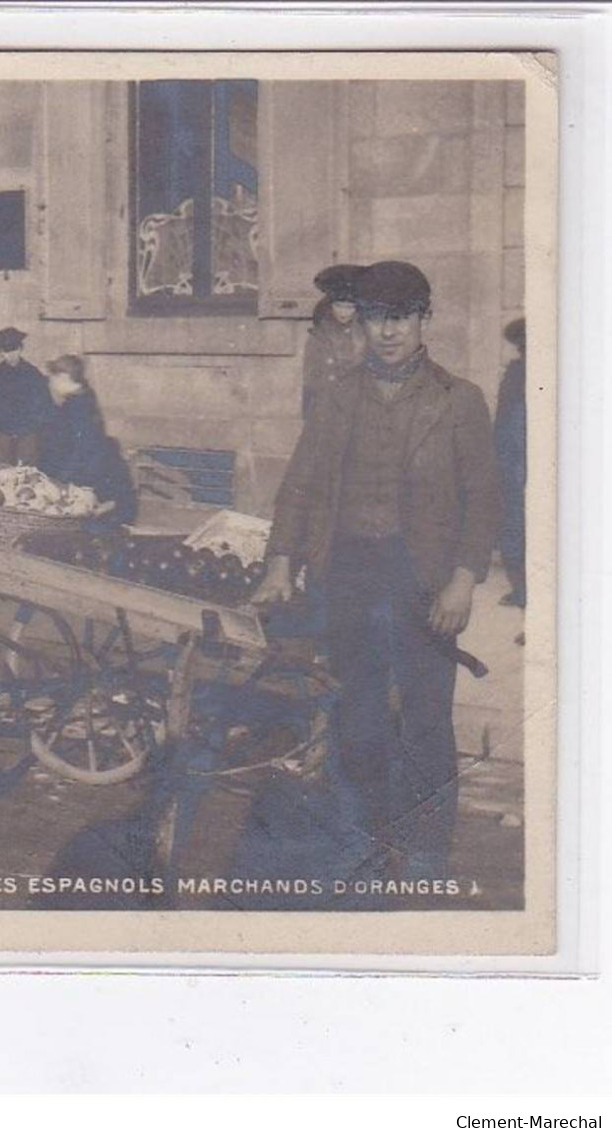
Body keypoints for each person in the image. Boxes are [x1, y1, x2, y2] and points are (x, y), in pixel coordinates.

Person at [253, 260, 501, 883]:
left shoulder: (459, 401)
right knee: (356, 711)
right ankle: (363, 831)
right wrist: (281, 561)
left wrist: (464, 579)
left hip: (422, 578)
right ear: (359, 324)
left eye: (400, 317)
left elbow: (486, 500)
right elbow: (301, 483)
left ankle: (423, 847)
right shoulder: (339, 395)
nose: (387, 331)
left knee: (423, 714)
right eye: (374, 319)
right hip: (350, 573)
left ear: (424, 319)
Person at [33, 354, 138, 525]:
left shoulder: (77, 406)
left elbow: (82, 449)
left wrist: (62, 480)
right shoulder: (83, 398)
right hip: (89, 475)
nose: (50, 383)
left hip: (85, 479)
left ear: (64, 377)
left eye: (52, 378)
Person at [0, 326, 52, 464]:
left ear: (20, 349)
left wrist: (33, 426)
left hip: (26, 432)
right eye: (5, 352)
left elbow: (43, 404)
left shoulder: (32, 373)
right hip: (0, 432)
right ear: (1, 353)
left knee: (27, 470)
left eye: (14, 350)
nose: (10, 355)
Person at [301, 264, 367, 418]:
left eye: (350, 307)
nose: (343, 312)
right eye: (338, 305)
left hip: (358, 408)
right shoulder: (319, 336)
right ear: (330, 306)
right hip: (327, 407)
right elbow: (310, 380)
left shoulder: (366, 335)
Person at [495, 318, 527, 613]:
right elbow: (504, 423)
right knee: (513, 531)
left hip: (530, 466)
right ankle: (522, 593)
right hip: (515, 466)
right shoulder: (515, 375)